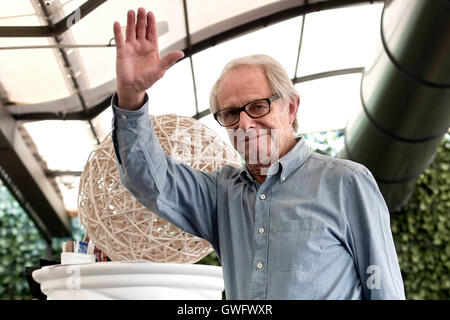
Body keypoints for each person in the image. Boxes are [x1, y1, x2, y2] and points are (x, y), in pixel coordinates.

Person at [110, 8, 405, 299]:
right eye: (230, 113)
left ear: (290, 107)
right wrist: (131, 96)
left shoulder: (346, 182)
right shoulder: (221, 196)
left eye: (258, 106)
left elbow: (382, 287)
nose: (245, 123)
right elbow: (148, 179)